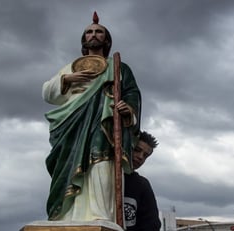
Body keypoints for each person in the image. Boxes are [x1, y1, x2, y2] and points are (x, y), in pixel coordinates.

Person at [42, 12, 141, 223]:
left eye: (98, 32)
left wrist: (127, 110)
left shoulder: (119, 67)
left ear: (106, 39)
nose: (93, 34)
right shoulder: (71, 67)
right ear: (83, 39)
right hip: (73, 127)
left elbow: (132, 93)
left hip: (103, 124)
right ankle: (67, 216)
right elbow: (48, 93)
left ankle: (100, 216)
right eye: (89, 32)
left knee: (101, 163)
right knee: (69, 167)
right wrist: (67, 79)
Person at [124, 131, 161, 231]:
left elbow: (152, 224)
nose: (140, 157)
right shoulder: (100, 176)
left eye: (145, 155)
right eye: (137, 150)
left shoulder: (142, 185)